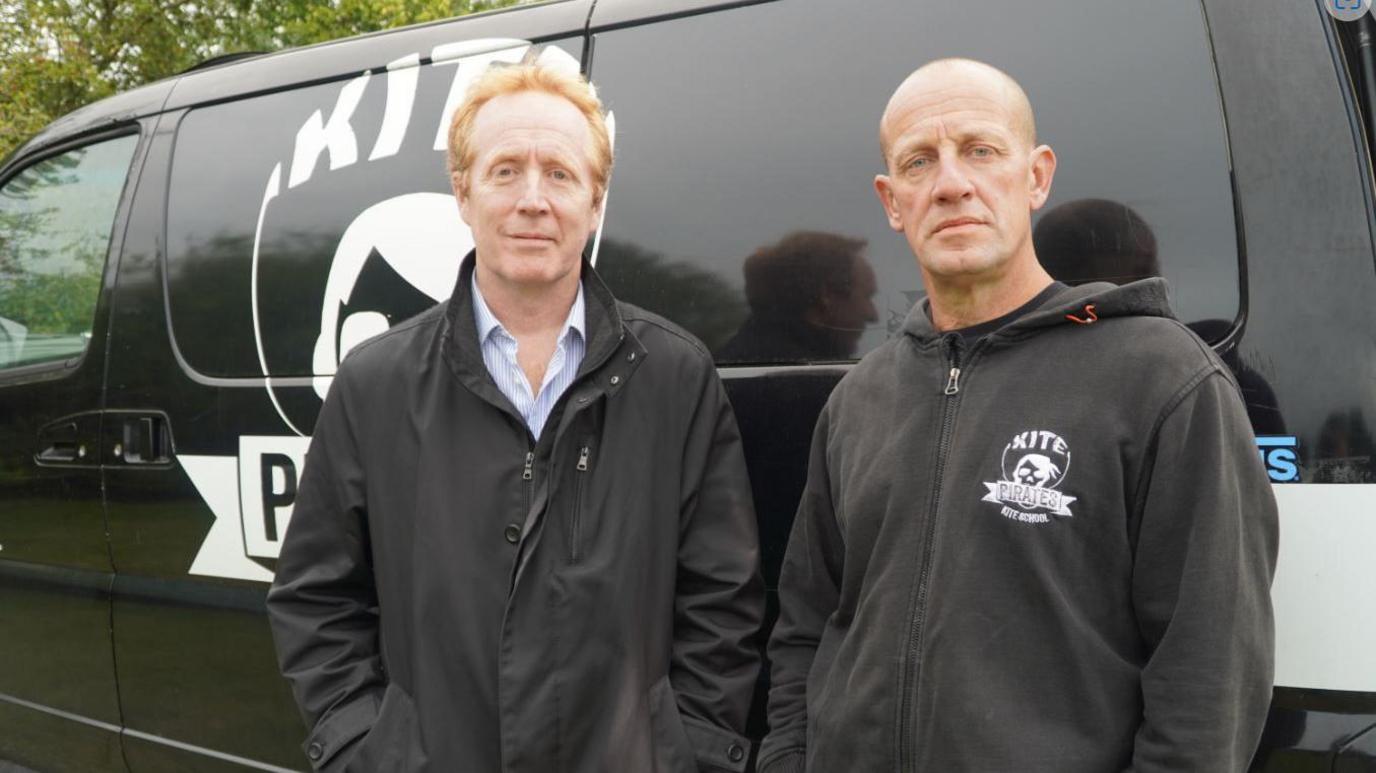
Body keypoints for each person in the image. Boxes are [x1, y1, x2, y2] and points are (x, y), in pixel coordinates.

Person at [757, 58, 1278, 773]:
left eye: (980, 149)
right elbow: (804, 628)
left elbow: (1208, 679)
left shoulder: (1163, 380)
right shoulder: (859, 398)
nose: (950, 183)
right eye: (919, 162)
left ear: (1036, 176)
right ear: (892, 199)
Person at [267, 61, 763, 773]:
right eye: (505, 171)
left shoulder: (676, 377)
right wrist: (368, 750)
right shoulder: (374, 383)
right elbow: (315, 600)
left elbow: (723, 600)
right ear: (463, 193)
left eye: (560, 174)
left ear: (595, 202)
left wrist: (690, 753)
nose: (534, 199)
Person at [715, 231, 879, 363]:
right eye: (867, 297)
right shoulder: (812, 385)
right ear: (827, 296)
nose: (873, 315)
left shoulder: (730, 365)